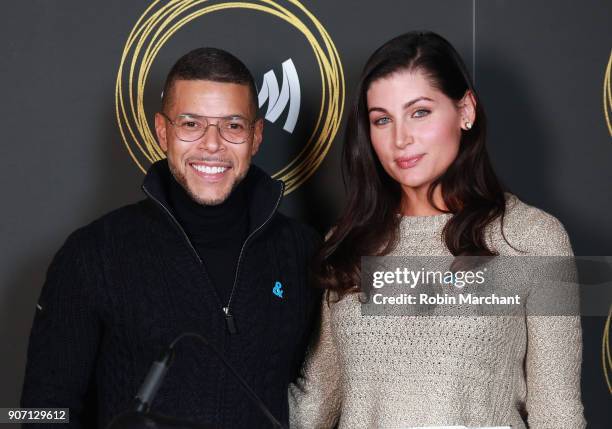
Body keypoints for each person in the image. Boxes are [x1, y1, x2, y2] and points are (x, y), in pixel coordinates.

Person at [289, 31, 585, 428]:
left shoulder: (532, 239)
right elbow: (315, 403)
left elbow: (558, 414)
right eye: (382, 120)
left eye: (420, 112)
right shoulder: (349, 241)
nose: (400, 139)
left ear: (465, 111)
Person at [21, 47, 321, 428]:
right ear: (163, 131)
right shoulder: (92, 254)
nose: (212, 144)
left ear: (256, 136)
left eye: (232, 125)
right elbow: (40, 412)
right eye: (191, 124)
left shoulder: (303, 253)